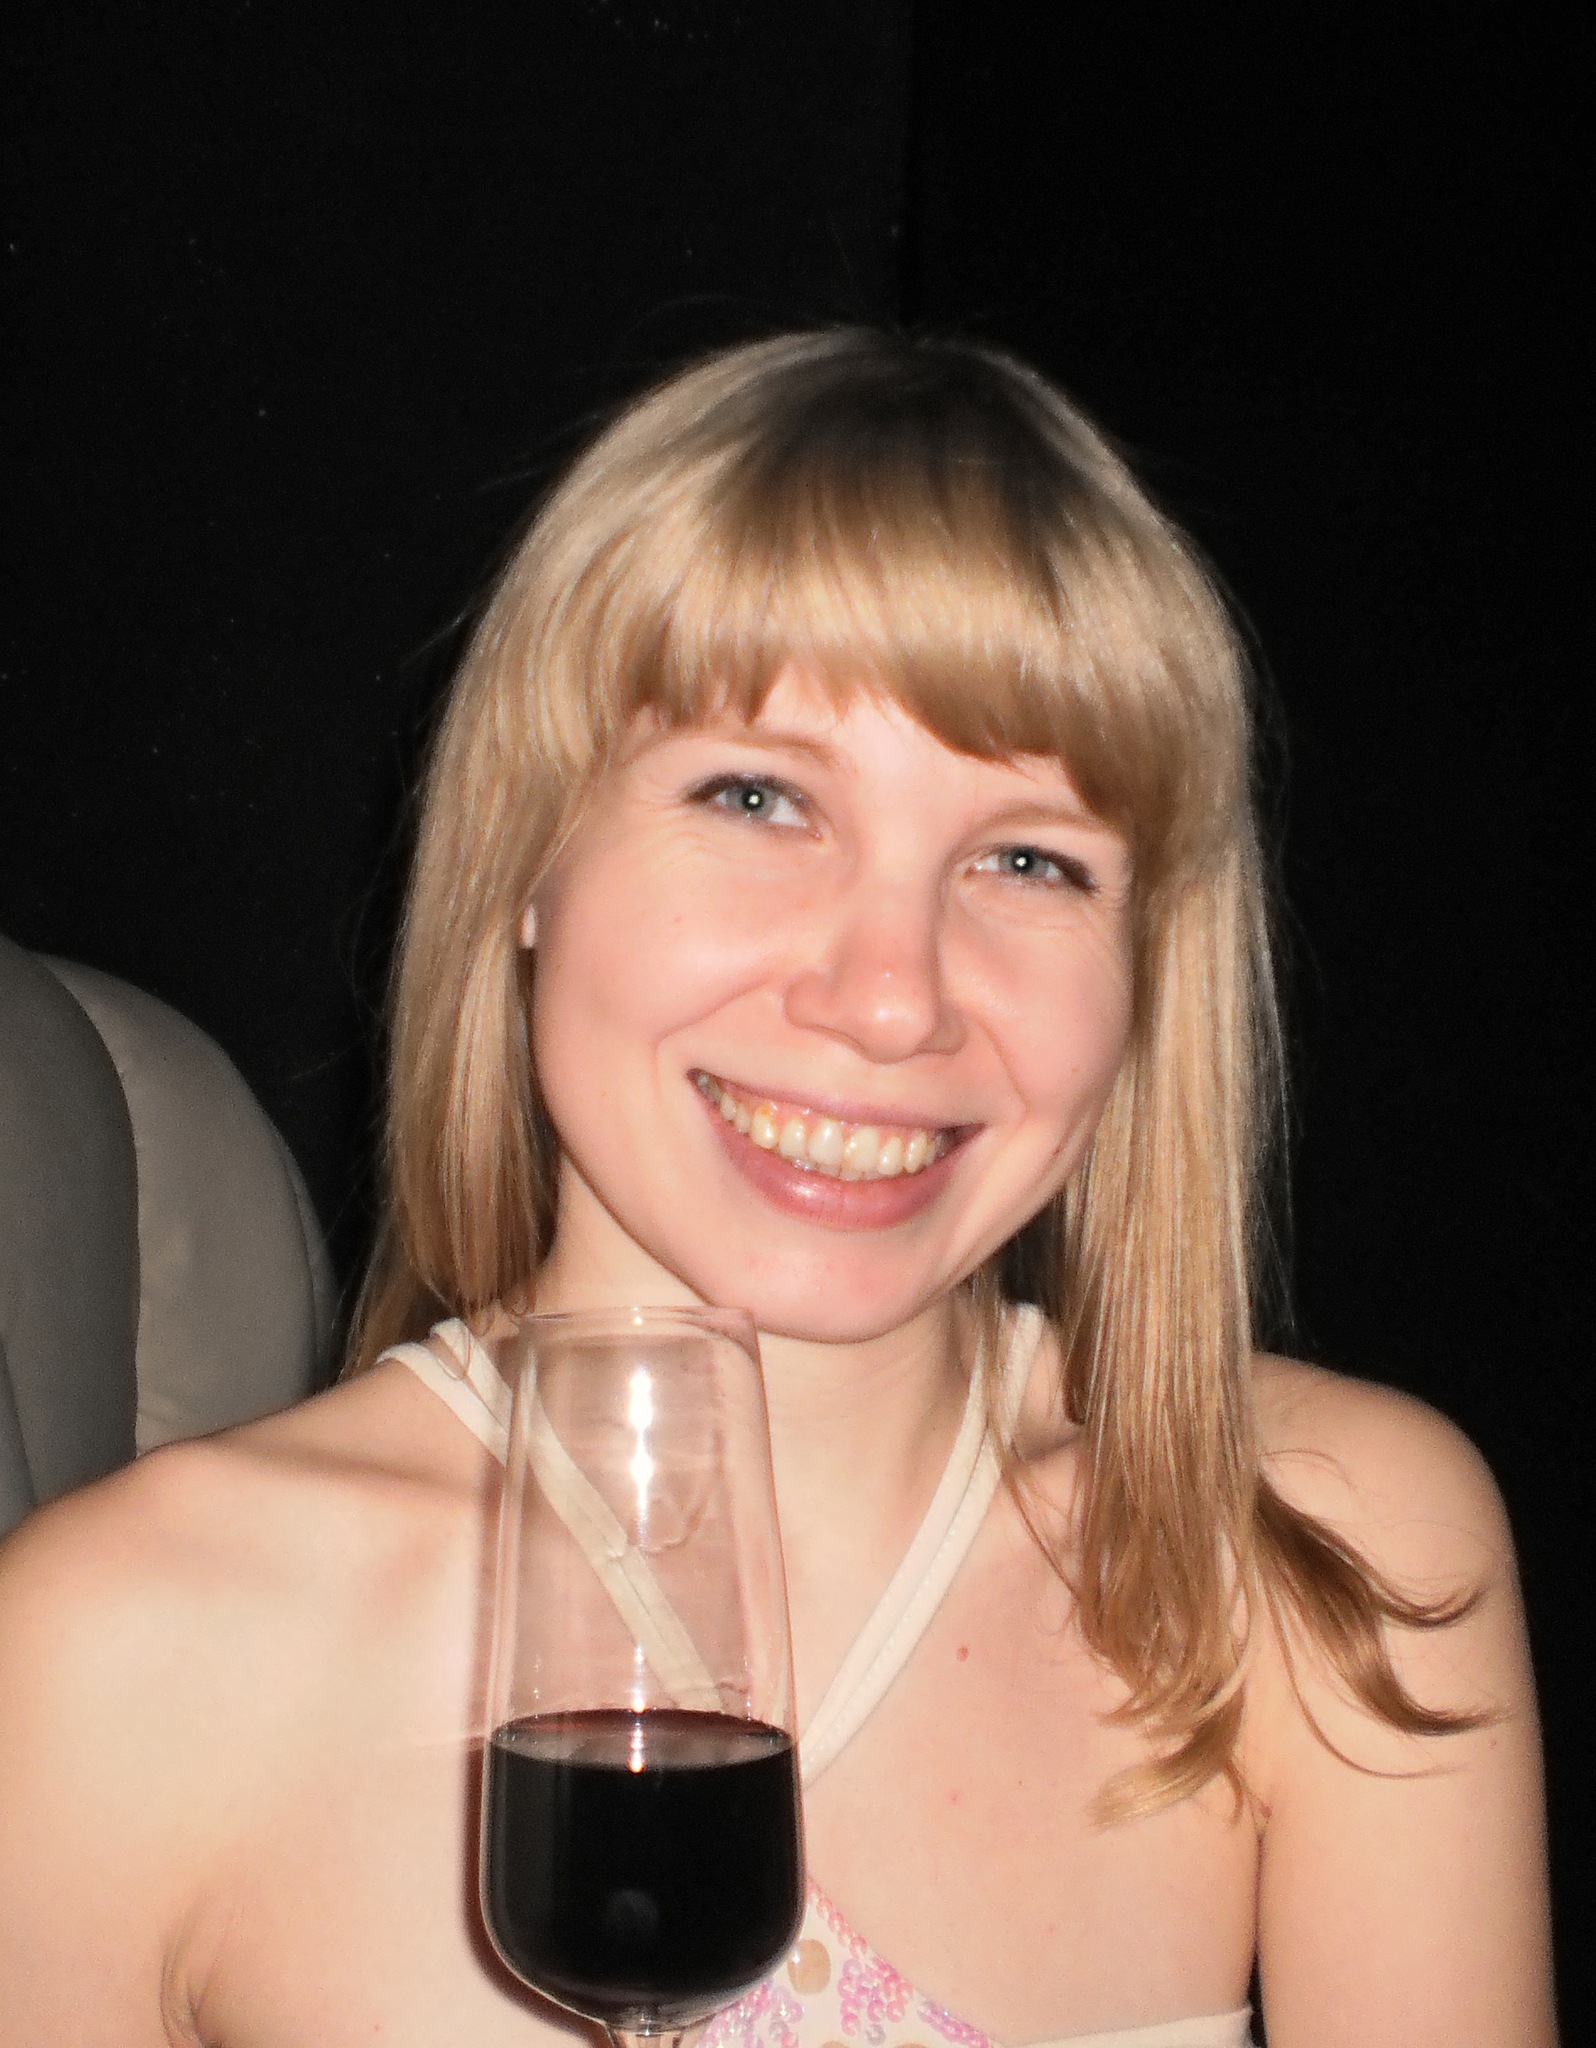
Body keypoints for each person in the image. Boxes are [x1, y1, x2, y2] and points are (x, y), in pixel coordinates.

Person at [0, 331, 1554, 2047]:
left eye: (1029, 858)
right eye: (759, 797)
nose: (892, 997)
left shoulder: (1325, 1555)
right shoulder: (116, 1655)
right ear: (526, 855)